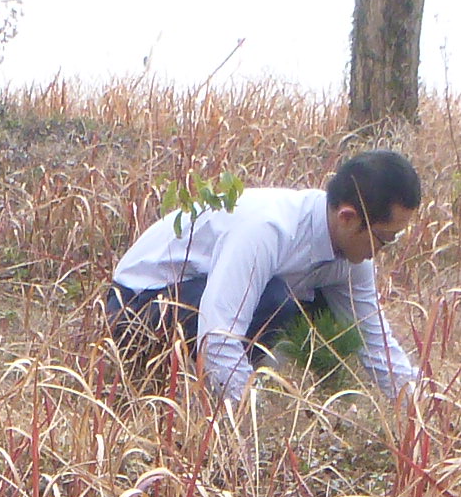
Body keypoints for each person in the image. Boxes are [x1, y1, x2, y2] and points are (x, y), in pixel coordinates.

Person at [107, 151, 426, 404]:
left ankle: (257, 392)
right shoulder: (267, 229)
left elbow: (373, 340)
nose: (385, 249)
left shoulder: (352, 252)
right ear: (347, 217)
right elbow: (217, 335)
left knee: (325, 316)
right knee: (278, 301)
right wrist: (251, 421)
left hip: (199, 303)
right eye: (386, 238)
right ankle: (207, 400)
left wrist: (420, 406)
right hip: (137, 307)